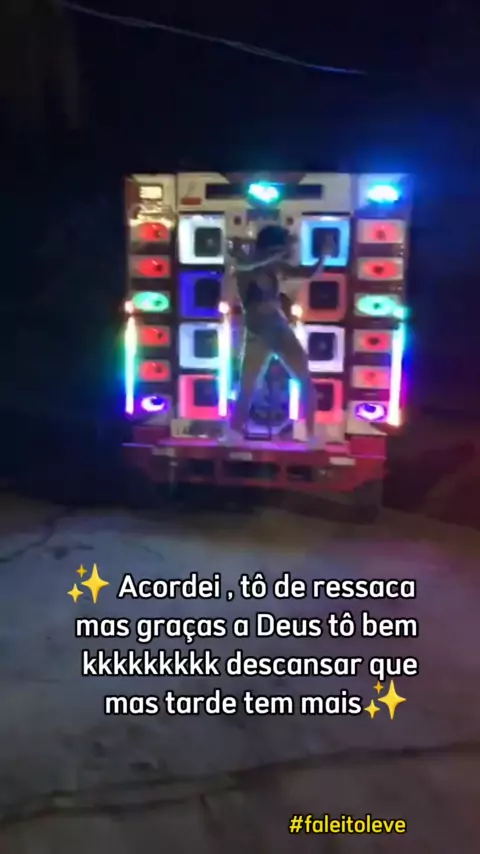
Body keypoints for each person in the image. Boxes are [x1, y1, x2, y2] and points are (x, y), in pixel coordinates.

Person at [220, 224, 331, 447]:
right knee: (248, 385)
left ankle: (311, 435)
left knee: (302, 380)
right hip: (263, 329)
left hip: (270, 327)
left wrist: (323, 256)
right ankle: (234, 433)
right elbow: (247, 264)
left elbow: (308, 273)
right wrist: (279, 253)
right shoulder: (246, 263)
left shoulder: (270, 264)